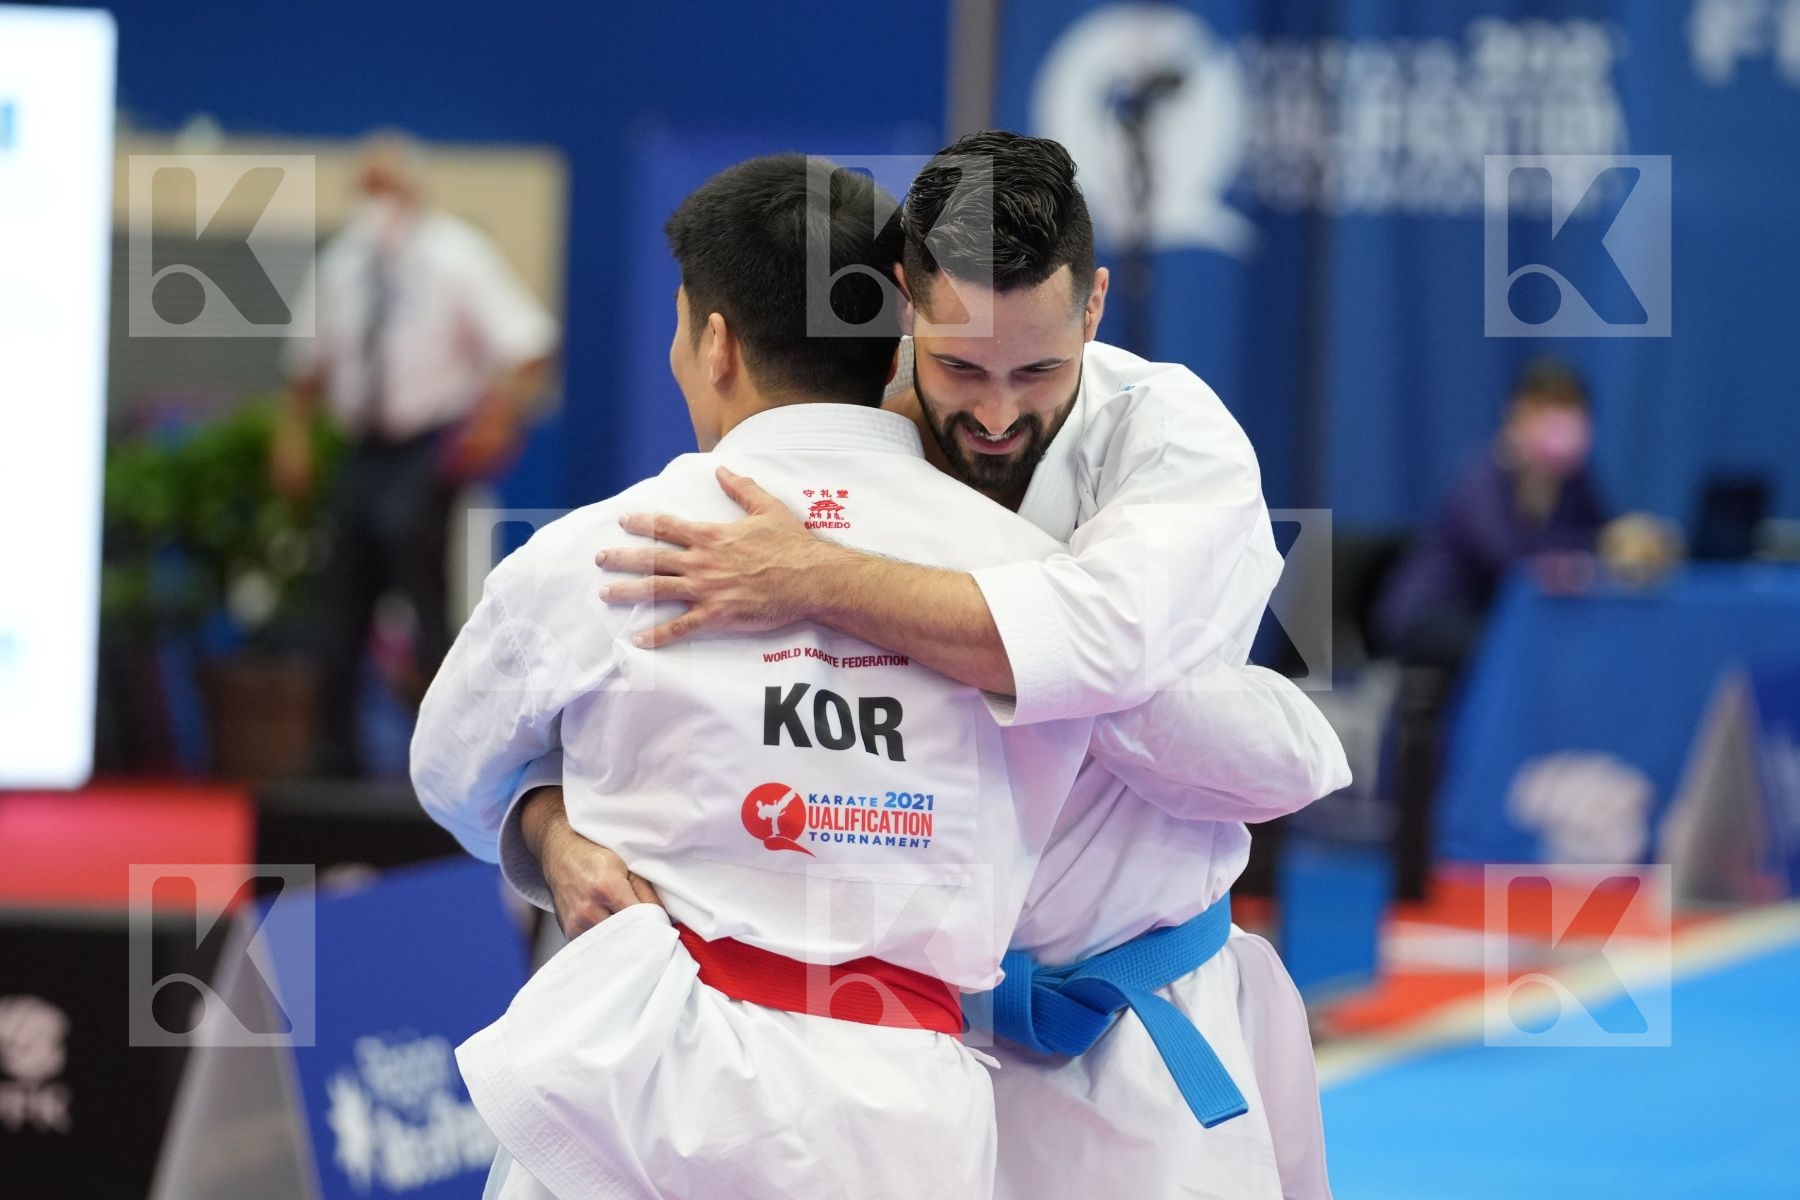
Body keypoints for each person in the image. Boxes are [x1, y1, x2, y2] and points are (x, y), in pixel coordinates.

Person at [516, 131, 1348, 1199]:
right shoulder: (838, 435)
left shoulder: (1170, 437)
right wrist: (549, 827)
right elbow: (663, 707)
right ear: (905, 303)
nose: (996, 413)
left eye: (1040, 369)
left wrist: (822, 579)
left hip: (1120, 1034)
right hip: (887, 1055)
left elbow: (1100, 647)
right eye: (960, 367)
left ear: (1094, 306)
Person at [411, 155, 1100, 1199]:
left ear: (716, 342)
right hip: (903, 1121)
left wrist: (544, 828)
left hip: (637, 1101)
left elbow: (447, 770)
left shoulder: (597, 554)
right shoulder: (1032, 585)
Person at [273, 132, 558, 776]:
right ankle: (333, 749)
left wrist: (498, 419)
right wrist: (291, 437)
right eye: (368, 189)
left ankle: (445, 753)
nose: (379, 203)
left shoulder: (457, 255)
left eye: (390, 189)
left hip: (428, 446)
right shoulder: (343, 263)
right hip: (362, 446)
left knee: (421, 585)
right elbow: (305, 367)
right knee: (343, 586)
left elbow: (528, 345)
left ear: (416, 190)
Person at [1375, 357, 1609, 674]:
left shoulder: (1575, 484)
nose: (1558, 425)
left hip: (1504, 619)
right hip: (1435, 614)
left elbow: (1601, 542)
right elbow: (1505, 559)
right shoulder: (1481, 477)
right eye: (1544, 411)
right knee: (1515, 648)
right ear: (1516, 415)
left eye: (1569, 412)